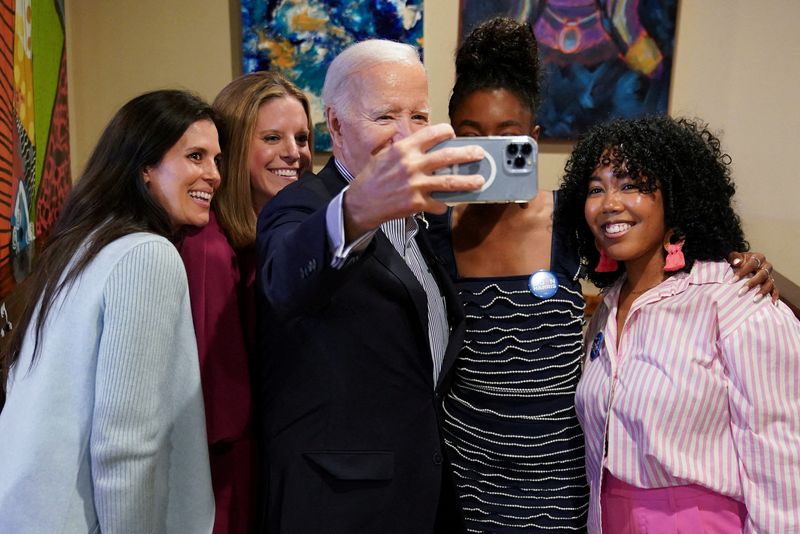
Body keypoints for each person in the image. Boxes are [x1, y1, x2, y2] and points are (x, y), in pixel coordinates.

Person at [429, 17, 777, 533]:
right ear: (453, 137)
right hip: (464, 472)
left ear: (533, 137)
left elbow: (659, 236)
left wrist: (735, 258)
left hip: (559, 476)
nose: (490, 154)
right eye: (472, 136)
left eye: (508, 138)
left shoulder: (573, 217)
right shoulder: (430, 230)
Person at [254, 39, 486, 532]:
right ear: (335, 125)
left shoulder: (429, 217)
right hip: (336, 505)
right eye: (385, 117)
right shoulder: (301, 206)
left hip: (421, 495)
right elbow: (283, 282)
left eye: (419, 118)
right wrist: (358, 208)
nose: (406, 136)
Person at [557, 115, 800, 532]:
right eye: (597, 188)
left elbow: (781, 466)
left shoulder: (736, 301)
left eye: (631, 184)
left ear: (677, 197)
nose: (610, 202)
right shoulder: (605, 311)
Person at [0, 90, 222, 533]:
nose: (213, 175)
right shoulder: (146, 256)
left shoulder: (80, 245)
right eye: (195, 156)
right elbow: (124, 445)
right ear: (143, 168)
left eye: (216, 159)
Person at [174, 71, 312, 534]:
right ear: (232, 150)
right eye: (272, 137)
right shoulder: (209, 248)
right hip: (227, 476)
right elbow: (218, 412)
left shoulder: (277, 241)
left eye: (302, 137)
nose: (293, 152)